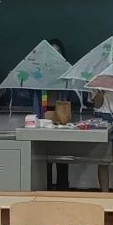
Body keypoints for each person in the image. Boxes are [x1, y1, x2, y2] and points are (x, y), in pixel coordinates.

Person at [46, 38, 71, 190]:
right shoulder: (38, 72)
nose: (55, 55)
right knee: (43, 157)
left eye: (58, 52)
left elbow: (76, 97)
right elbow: (26, 95)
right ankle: (45, 188)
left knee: (62, 155)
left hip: (62, 116)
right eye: (51, 52)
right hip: (43, 116)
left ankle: (63, 189)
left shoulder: (68, 73)